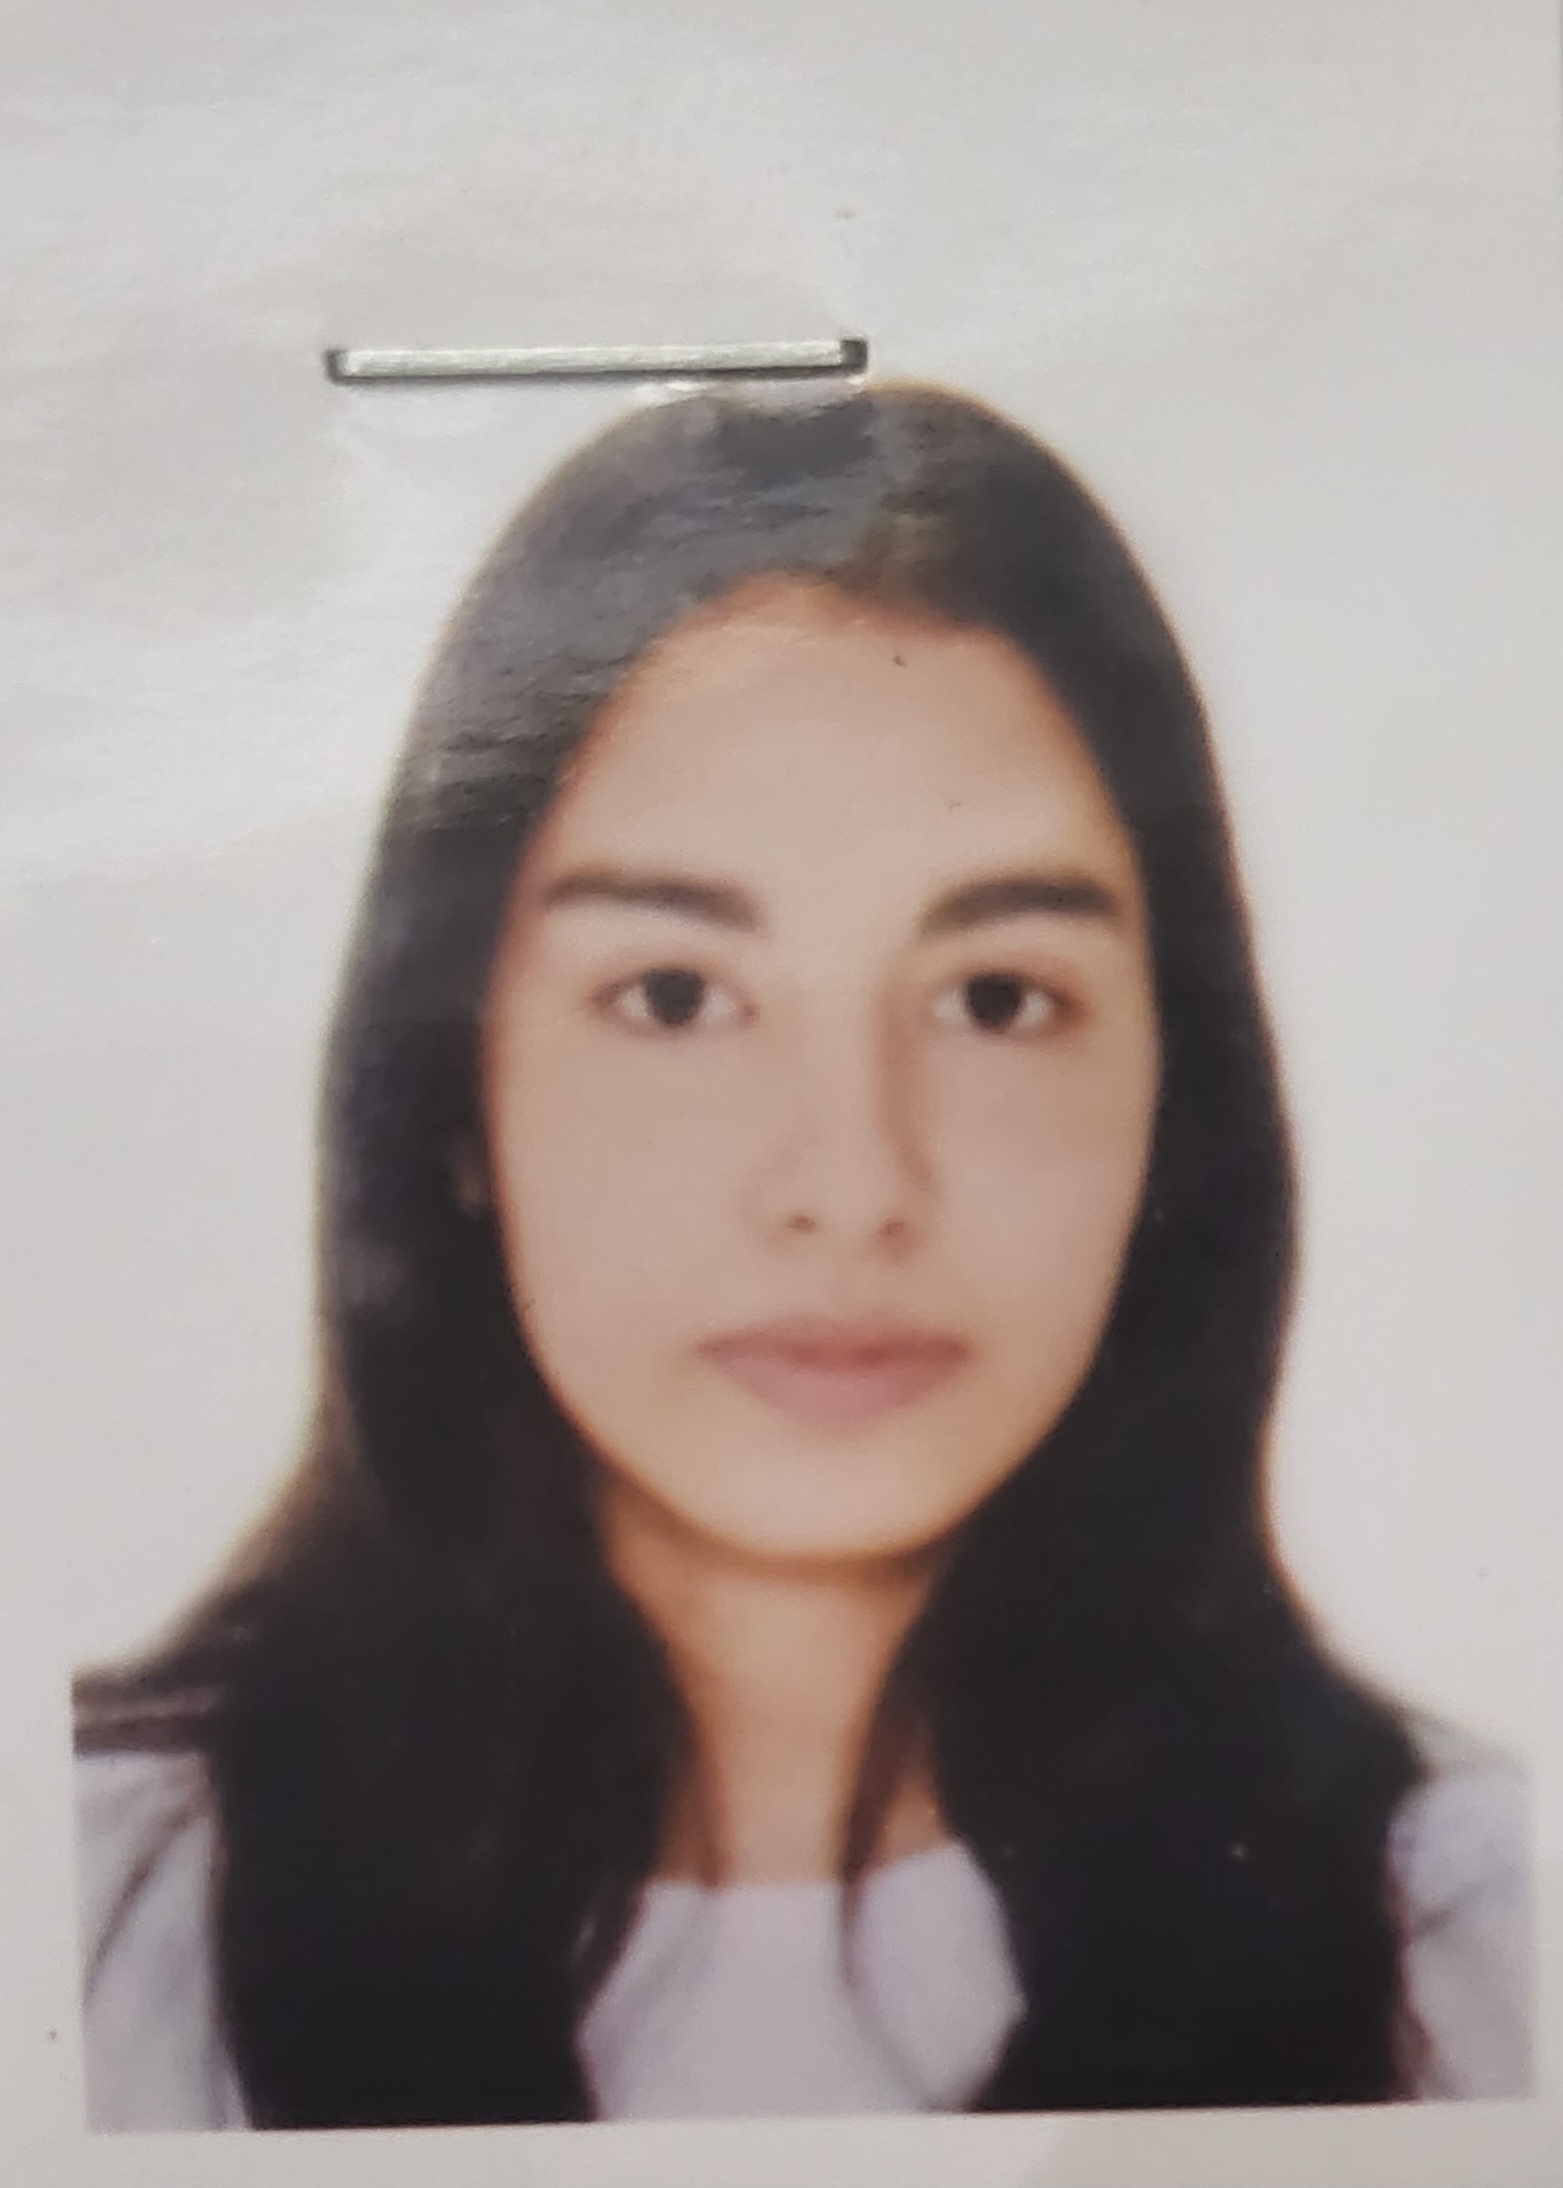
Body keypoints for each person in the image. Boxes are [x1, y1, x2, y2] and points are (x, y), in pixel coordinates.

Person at [74, 384, 1528, 2130]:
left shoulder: (1480, 1953)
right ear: (453, 1092)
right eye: (676, 996)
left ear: (1176, 1097)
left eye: (998, 999)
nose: (852, 1186)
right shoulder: (90, 1928)